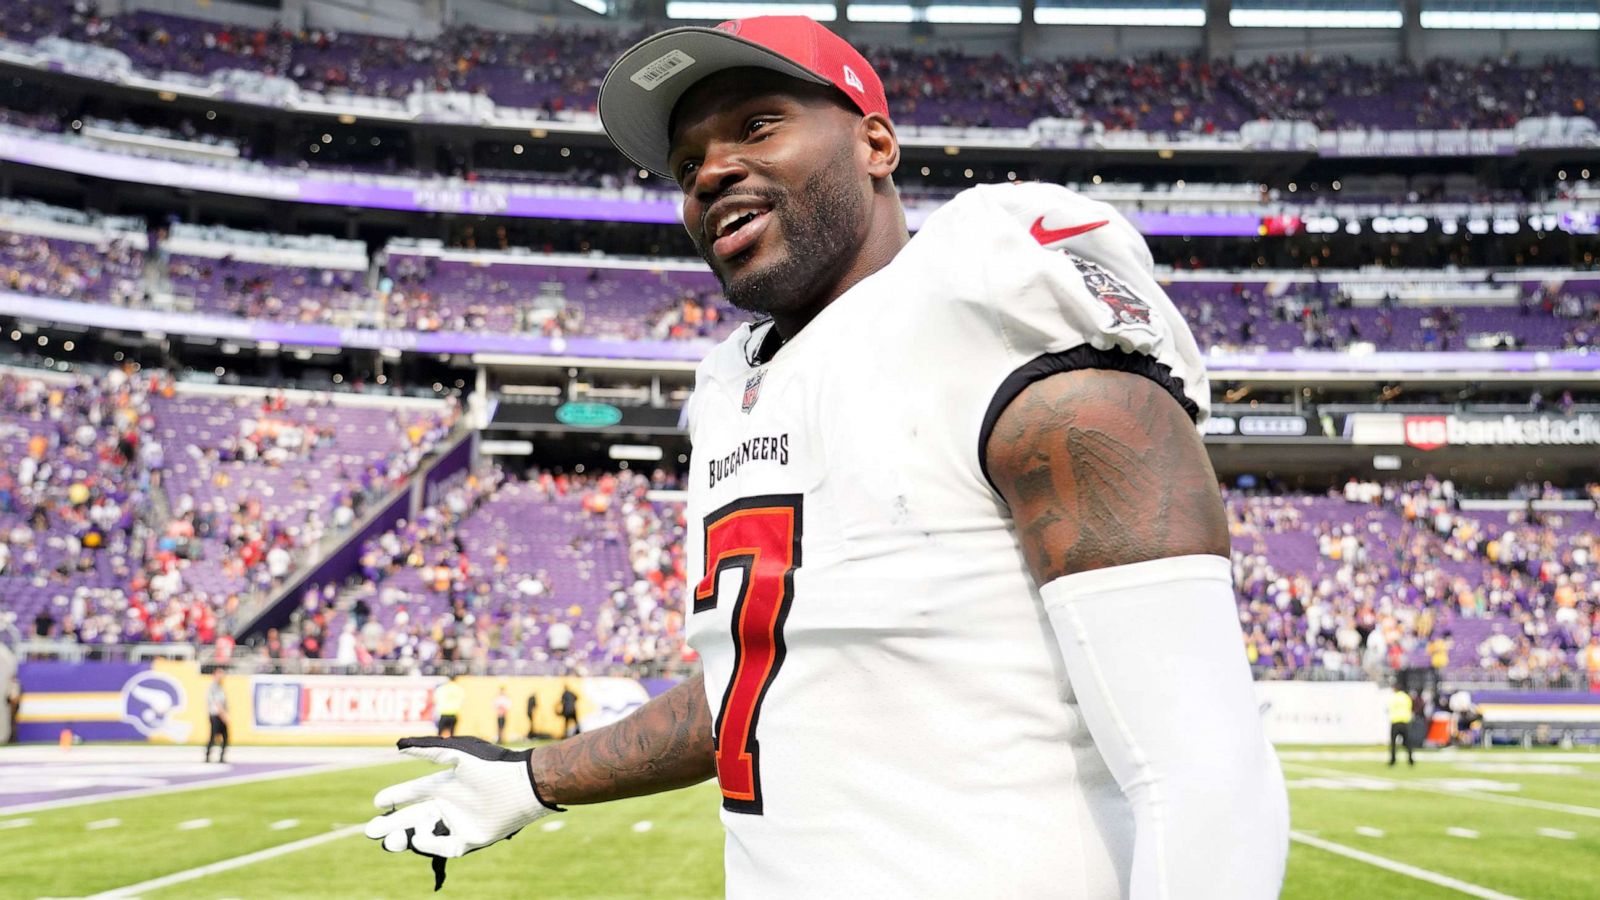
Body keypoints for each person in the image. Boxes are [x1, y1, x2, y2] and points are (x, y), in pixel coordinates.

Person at [366, 17, 1288, 897]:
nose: (712, 172)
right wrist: (536, 778)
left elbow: (1204, 770)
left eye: (757, 125)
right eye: (687, 164)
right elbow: (769, 677)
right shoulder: (738, 388)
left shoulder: (995, 313)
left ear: (875, 145)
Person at [204, 667, 229, 764]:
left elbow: (224, 703)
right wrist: (224, 715)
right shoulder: (213, 687)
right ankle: (207, 756)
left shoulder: (220, 687)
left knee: (225, 737)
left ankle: (221, 756)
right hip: (216, 715)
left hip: (221, 715)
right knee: (213, 736)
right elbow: (217, 703)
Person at [1388, 684, 1415, 766]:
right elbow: (1410, 707)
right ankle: (1410, 760)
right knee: (1408, 742)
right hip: (1405, 721)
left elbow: (1390, 707)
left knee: (1393, 743)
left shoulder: (1394, 697)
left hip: (1395, 721)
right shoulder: (1406, 697)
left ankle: (1393, 760)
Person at [433, 673, 464, 739]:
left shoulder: (442, 688)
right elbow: (462, 701)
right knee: (452, 735)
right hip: (454, 713)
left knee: (439, 735)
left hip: (444, 713)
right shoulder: (459, 689)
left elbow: (435, 699)